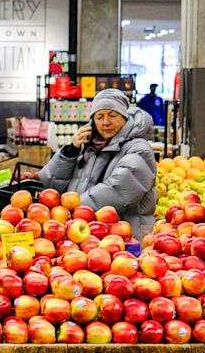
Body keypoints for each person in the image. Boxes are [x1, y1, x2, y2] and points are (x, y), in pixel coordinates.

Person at [38, 88, 157, 241]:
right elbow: (50, 184)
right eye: (99, 117)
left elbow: (117, 192)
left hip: (126, 239)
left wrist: (69, 211)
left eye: (112, 115)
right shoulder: (89, 145)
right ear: (92, 121)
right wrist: (70, 152)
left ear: (125, 117)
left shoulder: (139, 149)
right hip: (91, 235)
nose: (106, 122)